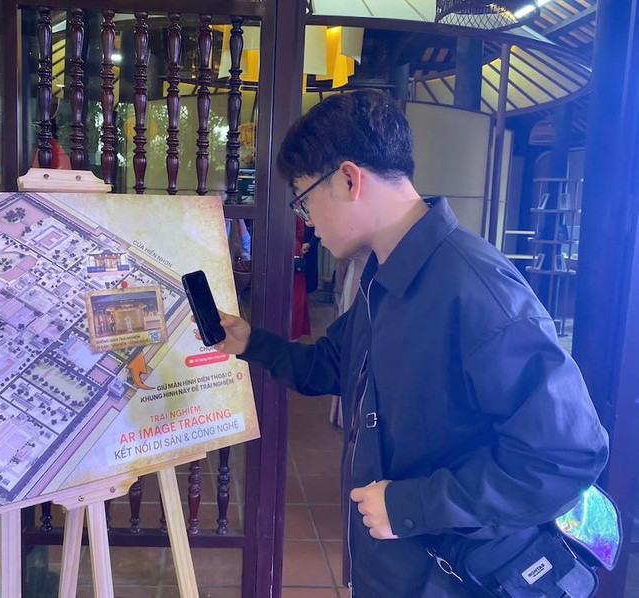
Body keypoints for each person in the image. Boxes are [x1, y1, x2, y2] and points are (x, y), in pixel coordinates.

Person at [211, 90, 609, 597]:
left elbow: (563, 457)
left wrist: (409, 506)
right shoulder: (385, 275)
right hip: (395, 568)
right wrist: (250, 343)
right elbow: (331, 365)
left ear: (349, 179)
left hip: (452, 576)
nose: (305, 220)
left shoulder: (475, 288)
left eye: (303, 200)